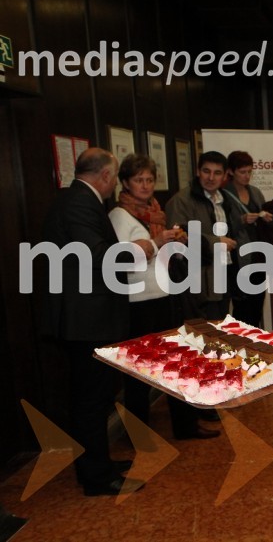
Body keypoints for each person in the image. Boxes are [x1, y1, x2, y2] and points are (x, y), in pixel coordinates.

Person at [40, 148, 143, 496]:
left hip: (90, 318)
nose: (113, 183)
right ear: (105, 177)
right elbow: (99, 257)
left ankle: (100, 462)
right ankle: (96, 477)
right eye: (114, 176)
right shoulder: (79, 203)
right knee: (90, 399)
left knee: (96, 398)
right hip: (86, 320)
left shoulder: (78, 200)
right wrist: (142, 248)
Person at [109, 153, 219, 441]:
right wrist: (157, 243)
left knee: (177, 365)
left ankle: (185, 426)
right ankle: (138, 436)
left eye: (149, 179)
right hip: (139, 302)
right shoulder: (119, 216)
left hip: (165, 296)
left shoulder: (154, 211)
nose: (145, 186)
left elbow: (158, 253)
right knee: (139, 374)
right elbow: (121, 261)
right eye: (138, 180)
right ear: (125, 182)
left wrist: (174, 242)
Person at [165, 151, 239, 321]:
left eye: (217, 173)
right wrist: (216, 242)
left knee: (223, 328)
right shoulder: (181, 200)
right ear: (198, 171)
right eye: (206, 171)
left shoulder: (224, 198)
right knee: (205, 334)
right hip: (197, 281)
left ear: (224, 176)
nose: (211, 177)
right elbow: (177, 239)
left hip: (223, 272)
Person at [224, 150, 273, 327]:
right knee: (242, 307)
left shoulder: (255, 192)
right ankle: (242, 345)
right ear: (231, 171)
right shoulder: (224, 195)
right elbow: (222, 227)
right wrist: (241, 220)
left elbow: (265, 223)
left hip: (258, 255)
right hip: (239, 258)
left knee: (257, 305)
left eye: (249, 172)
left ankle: (256, 344)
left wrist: (266, 218)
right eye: (242, 172)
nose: (247, 176)